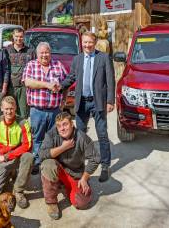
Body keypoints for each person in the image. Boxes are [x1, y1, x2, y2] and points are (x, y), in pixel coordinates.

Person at [59, 31, 115, 182]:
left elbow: (110, 80)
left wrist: (110, 101)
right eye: (85, 42)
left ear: (95, 43)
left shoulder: (103, 58)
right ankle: (80, 165)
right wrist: (59, 86)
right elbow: (71, 77)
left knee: (102, 134)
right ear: (81, 43)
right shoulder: (77, 59)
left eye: (90, 42)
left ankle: (105, 165)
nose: (87, 45)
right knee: (80, 135)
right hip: (82, 102)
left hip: (98, 102)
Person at [39, 112, 100, 219]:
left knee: (82, 203)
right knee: (47, 164)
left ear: (72, 124)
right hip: (59, 170)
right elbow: (42, 154)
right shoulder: (51, 134)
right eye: (59, 126)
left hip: (75, 174)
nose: (62, 128)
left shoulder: (82, 137)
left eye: (65, 124)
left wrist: (85, 178)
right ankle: (51, 202)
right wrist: (63, 147)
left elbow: (94, 158)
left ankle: (67, 187)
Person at [22, 41, 67, 174]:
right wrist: (47, 85)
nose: (44, 55)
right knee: (37, 137)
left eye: (47, 52)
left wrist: (64, 98)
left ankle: (51, 162)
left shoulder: (58, 65)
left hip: (54, 110)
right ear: (37, 54)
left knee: (54, 138)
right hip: (37, 111)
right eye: (42, 53)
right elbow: (28, 82)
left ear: (50, 53)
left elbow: (66, 83)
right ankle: (37, 161)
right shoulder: (31, 65)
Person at [0, 96, 34, 209]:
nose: (9, 111)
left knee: (29, 157)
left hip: (16, 157)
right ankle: (9, 175)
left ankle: (18, 191)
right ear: (1, 108)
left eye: (11, 108)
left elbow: (27, 145)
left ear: (15, 108)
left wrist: (7, 156)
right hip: (2, 161)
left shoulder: (22, 122)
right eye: (6, 108)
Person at [6, 28, 35, 119]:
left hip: (24, 88)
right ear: (13, 37)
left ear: (24, 37)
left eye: (21, 37)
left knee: (24, 113)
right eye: (16, 36)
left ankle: (23, 132)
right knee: (10, 112)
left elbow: (35, 69)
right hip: (10, 87)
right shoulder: (6, 51)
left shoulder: (30, 51)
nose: (19, 39)